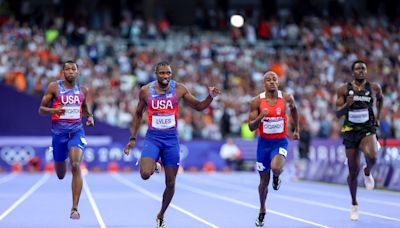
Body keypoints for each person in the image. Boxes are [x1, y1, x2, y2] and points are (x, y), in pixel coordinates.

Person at [123, 61, 220, 228]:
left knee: (171, 183)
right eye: (162, 73)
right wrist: (132, 138)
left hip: (171, 141)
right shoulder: (146, 91)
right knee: (145, 174)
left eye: (168, 73)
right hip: (153, 138)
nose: (165, 76)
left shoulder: (179, 89)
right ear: (156, 73)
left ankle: (161, 214)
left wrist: (210, 97)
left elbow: (198, 106)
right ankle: (155, 164)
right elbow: (138, 114)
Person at [39, 60, 94, 219]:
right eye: (67, 69)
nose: (70, 71)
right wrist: (55, 110)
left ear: (77, 72)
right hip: (59, 135)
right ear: (63, 72)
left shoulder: (83, 89)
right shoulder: (54, 87)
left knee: (76, 165)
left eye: (73, 69)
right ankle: (58, 156)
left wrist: (89, 117)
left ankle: (74, 208)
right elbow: (41, 110)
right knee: (61, 174)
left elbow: (83, 108)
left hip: (76, 132)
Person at [248, 71, 299, 227]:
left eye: (274, 79)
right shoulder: (256, 101)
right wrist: (260, 117)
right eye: (268, 80)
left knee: (276, 167)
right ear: (264, 84)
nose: (271, 82)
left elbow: (295, 110)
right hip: (263, 145)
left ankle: (277, 175)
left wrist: (296, 129)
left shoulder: (287, 98)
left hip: (280, 142)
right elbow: (251, 127)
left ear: (278, 82)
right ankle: (262, 209)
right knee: (263, 182)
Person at [335, 60, 383, 220]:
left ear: (366, 71)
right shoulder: (343, 89)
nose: (361, 71)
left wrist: (378, 116)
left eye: (363, 68)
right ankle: (354, 204)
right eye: (357, 69)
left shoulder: (374, 87)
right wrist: (347, 105)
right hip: (350, 132)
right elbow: (337, 114)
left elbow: (380, 99)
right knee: (352, 172)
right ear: (353, 72)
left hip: (367, 129)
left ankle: (367, 172)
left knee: (373, 156)